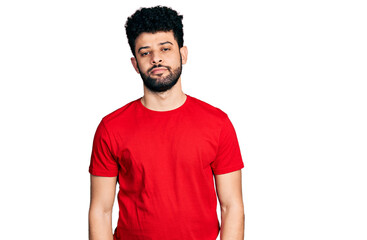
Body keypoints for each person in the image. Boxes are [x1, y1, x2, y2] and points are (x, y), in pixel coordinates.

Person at [88, 6, 245, 240]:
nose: (156, 58)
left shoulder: (218, 123)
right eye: (145, 52)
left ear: (183, 54)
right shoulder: (111, 128)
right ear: (135, 64)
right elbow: (100, 211)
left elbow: (231, 207)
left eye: (165, 48)